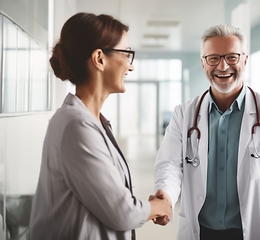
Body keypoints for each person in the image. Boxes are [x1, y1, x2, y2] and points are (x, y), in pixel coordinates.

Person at [151, 24, 260, 240]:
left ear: (244, 60)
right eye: (213, 58)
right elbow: (169, 165)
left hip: (253, 232)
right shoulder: (184, 114)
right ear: (203, 63)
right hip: (200, 232)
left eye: (232, 57)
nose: (223, 66)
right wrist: (165, 195)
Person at [29, 12, 171, 240]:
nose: (131, 66)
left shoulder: (92, 122)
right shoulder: (75, 126)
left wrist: (148, 207)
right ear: (99, 59)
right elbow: (121, 211)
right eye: (127, 54)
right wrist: (157, 208)